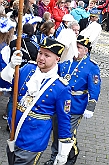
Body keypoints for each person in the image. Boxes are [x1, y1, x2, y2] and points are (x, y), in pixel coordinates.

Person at [1, 37, 73, 165]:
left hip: (33, 141)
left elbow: (63, 121)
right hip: (14, 134)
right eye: (40, 53)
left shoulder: (61, 88)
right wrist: (11, 66)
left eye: (47, 55)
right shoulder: (28, 69)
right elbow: (5, 83)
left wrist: (63, 152)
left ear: (57, 59)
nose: (41, 58)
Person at [44, 35, 101, 165]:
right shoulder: (66, 61)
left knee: (67, 133)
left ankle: (69, 155)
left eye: (79, 47)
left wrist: (90, 107)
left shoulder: (91, 66)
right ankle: (55, 157)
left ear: (86, 51)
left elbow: (95, 87)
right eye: (75, 46)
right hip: (59, 104)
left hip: (76, 105)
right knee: (57, 132)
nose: (76, 49)